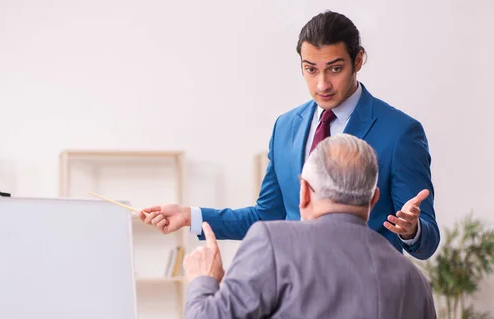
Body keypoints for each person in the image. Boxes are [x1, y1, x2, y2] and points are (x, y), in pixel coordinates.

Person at [139, 10, 439, 260]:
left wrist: (412, 231)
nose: (322, 84)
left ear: (358, 60)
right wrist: (190, 216)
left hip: (367, 301)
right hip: (297, 295)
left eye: (334, 69)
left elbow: (428, 239)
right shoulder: (285, 127)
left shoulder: (400, 132)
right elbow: (267, 215)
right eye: (311, 69)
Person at [183, 134, 438, 319]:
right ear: (373, 200)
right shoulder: (415, 283)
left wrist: (204, 280)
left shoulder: (272, 243)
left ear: (303, 192)